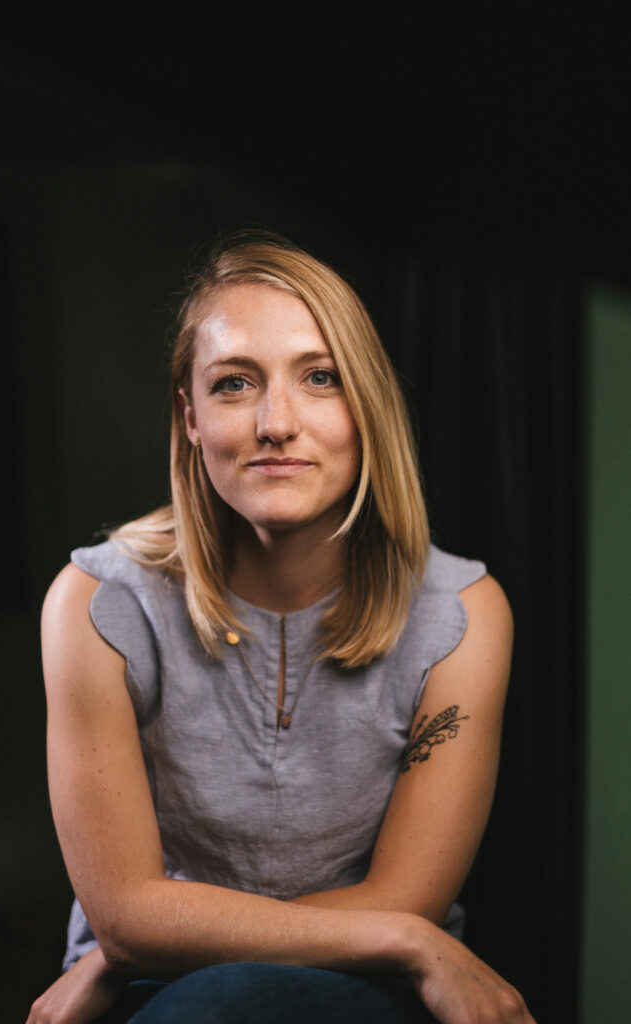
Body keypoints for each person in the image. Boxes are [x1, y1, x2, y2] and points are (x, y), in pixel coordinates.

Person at [27, 231, 535, 1023]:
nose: (276, 422)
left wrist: (152, 935)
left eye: (320, 378)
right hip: (158, 990)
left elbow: (404, 900)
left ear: (366, 407)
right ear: (189, 418)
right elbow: (125, 914)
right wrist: (133, 945)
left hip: (377, 977)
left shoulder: (461, 614)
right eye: (234, 384)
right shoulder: (96, 604)